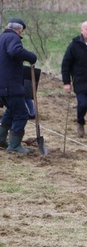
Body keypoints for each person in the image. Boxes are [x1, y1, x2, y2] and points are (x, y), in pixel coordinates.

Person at [0, 18, 37, 153]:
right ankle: (14, 146)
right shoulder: (13, 38)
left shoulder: (2, 37)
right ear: (20, 29)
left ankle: (1, 139)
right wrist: (31, 57)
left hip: (2, 85)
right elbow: (15, 51)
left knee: (11, 110)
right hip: (11, 86)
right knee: (22, 114)